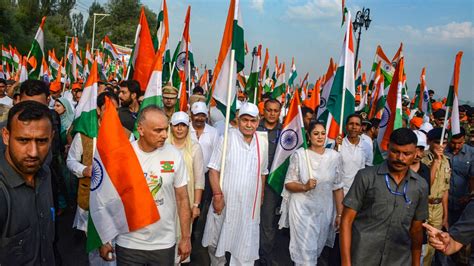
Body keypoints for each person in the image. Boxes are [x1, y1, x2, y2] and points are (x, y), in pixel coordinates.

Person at [108, 105, 191, 265]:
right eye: (158, 130)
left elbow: (182, 199)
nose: (165, 135)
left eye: (166, 129)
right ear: (141, 129)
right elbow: (109, 198)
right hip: (128, 242)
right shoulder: (123, 156)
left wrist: (185, 238)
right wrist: (104, 239)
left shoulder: (174, 155)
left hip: (163, 244)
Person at [340, 128, 429, 266]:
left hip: (399, 259)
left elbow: (416, 230)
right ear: (387, 148)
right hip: (362, 257)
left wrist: (416, 263)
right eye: (395, 151)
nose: (400, 158)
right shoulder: (366, 177)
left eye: (407, 154)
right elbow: (346, 221)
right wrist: (346, 263)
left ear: (415, 153)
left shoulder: (420, 186)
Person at [202, 102, 268, 265]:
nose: (249, 124)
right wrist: (217, 195)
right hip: (225, 202)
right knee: (216, 242)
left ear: (258, 122)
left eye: (253, 121)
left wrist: (261, 196)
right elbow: (213, 170)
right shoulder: (227, 138)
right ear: (238, 120)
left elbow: (263, 173)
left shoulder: (262, 143)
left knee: (245, 246)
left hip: (248, 207)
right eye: (245, 120)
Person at [279, 121, 344, 265]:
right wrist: (304, 187)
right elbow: (288, 183)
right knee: (305, 255)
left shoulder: (335, 157)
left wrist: (340, 214)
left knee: (315, 251)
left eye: (322, 133)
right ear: (309, 136)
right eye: (316, 134)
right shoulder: (300, 155)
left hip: (323, 211)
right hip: (301, 210)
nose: (320, 137)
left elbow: (338, 187)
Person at [0, 100, 55, 265]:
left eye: (42, 141)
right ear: (6, 136)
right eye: (23, 140)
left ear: (52, 137)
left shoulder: (45, 173)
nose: (33, 152)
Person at [168, 111, 205, 263]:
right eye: (176, 125)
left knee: (182, 235)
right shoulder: (164, 146)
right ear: (171, 127)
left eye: (183, 125)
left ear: (188, 127)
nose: (180, 129)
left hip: (186, 200)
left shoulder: (195, 148)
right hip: (167, 198)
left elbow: (199, 180)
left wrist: (196, 205)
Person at [189, 101, 219, 265]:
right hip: (188, 177)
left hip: (206, 178)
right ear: (191, 115)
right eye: (196, 115)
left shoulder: (213, 132)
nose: (199, 118)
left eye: (202, 115)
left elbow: (215, 156)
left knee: (201, 210)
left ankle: (197, 240)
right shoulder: (185, 129)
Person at [257, 99, 284, 265]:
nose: (272, 113)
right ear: (264, 111)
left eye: (275, 110)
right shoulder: (255, 128)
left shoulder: (286, 131)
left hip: (272, 185)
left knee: (268, 223)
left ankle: (265, 257)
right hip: (252, 181)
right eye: (269, 110)